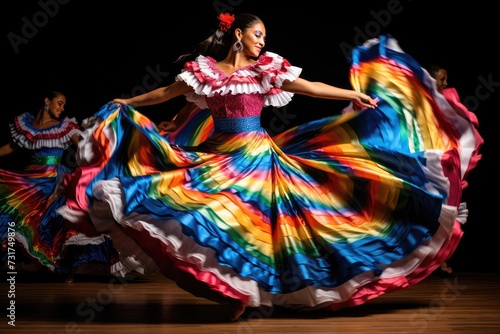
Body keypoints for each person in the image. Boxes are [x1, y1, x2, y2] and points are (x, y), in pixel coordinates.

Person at [58, 14, 482, 321]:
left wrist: (352, 95)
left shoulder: (266, 69)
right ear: (238, 34)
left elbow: (309, 85)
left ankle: (245, 294)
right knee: (204, 215)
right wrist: (127, 102)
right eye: (257, 34)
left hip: (258, 156)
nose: (263, 41)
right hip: (219, 153)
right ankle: (234, 292)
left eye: (265, 36)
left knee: (260, 226)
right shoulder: (205, 73)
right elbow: (165, 92)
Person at [0, 90, 118, 282]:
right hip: (31, 179)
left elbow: (83, 145)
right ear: (47, 101)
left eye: (64, 105)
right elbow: (10, 148)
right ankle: (37, 261)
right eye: (59, 103)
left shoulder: (65, 127)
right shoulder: (27, 127)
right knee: (17, 210)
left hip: (53, 178)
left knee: (62, 220)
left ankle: (64, 267)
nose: (62, 108)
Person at [425, 64, 484, 276]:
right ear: (432, 80)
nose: (446, 83)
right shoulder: (420, 99)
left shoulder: (448, 100)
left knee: (449, 209)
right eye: (442, 79)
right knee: (423, 212)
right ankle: (420, 261)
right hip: (426, 161)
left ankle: (442, 258)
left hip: (445, 162)